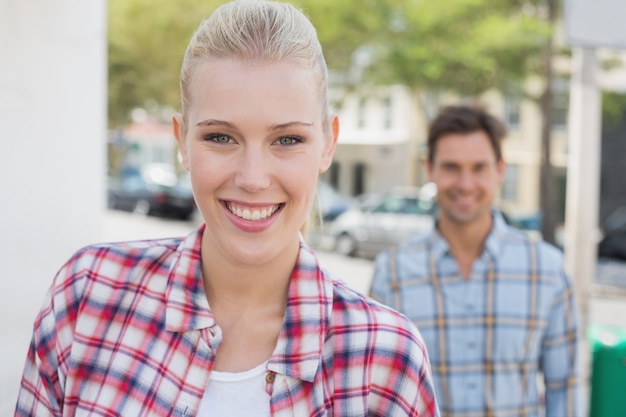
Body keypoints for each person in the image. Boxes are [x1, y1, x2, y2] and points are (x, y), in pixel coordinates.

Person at [15, 1, 439, 416]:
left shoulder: (387, 359)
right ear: (181, 140)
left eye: (287, 140)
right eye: (221, 137)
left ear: (328, 143)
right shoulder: (88, 295)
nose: (252, 178)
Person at [369, 104, 581, 417]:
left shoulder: (546, 270)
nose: (466, 184)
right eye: (452, 167)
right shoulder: (393, 272)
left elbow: (564, 392)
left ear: (500, 170)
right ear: (430, 169)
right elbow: (377, 391)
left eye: (479, 167)